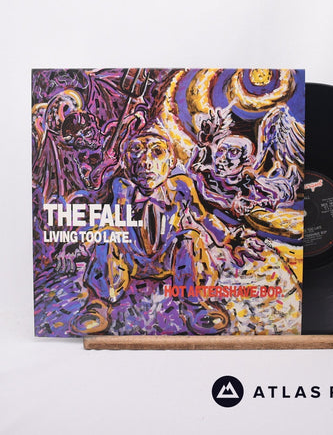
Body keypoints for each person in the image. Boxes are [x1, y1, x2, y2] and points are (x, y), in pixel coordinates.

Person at [71, 121, 265, 335]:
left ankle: (197, 304)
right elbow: (105, 219)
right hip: (131, 260)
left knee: (190, 238)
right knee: (109, 236)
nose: (145, 162)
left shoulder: (181, 186)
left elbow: (203, 217)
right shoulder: (120, 187)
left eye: (157, 152)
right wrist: (83, 241)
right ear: (125, 160)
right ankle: (98, 304)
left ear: (171, 161)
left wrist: (230, 240)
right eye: (136, 151)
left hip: (167, 258)